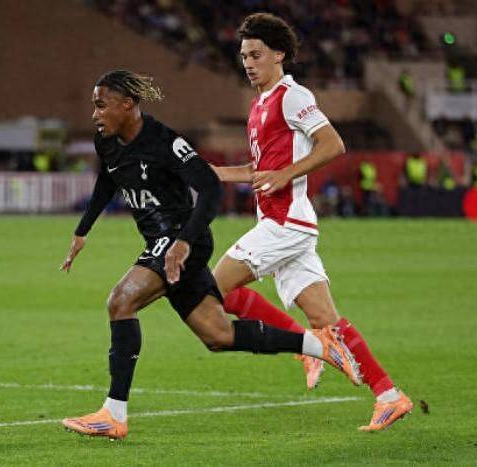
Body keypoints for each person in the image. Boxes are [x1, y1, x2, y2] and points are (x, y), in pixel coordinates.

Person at [59, 70, 361, 440]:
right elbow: (108, 180)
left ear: (127, 105)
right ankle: (320, 345)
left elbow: (211, 189)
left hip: (183, 238)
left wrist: (184, 242)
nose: (94, 114)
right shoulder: (106, 141)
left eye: (101, 105)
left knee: (121, 301)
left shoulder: (166, 143)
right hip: (163, 242)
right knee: (218, 335)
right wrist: (82, 230)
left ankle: (113, 413)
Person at [209, 13, 412, 432]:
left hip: (284, 223)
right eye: (244, 56)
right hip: (289, 226)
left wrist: (288, 173)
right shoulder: (259, 105)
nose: (248, 63)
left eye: (256, 55)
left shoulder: (292, 95)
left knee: (212, 289)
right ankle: (389, 395)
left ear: (279, 54)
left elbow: (333, 144)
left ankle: (305, 347)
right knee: (326, 320)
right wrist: (217, 173)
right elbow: (261, 168)